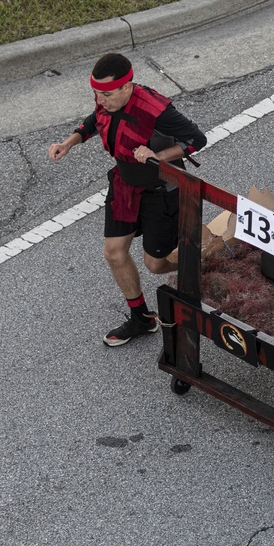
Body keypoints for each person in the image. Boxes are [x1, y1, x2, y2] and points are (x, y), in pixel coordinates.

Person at [48, 53, 207, 346]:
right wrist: (69, 142)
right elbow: (96, 120)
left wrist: (155, 156)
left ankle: (205, 263)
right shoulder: (107, 100)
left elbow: (197, 140)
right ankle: (142, 320)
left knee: (156, 264)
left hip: (161, 189)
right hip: (125, 183)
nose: (100, 100)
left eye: (106, 94)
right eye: (96, 93)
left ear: (127, 86)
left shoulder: (157, 110)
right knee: (114, 252)